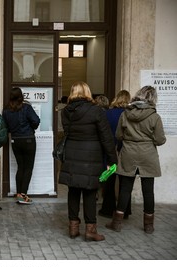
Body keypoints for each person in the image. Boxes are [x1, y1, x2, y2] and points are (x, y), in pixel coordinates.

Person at [59, 82, 117, 241]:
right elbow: (106, 137)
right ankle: (90, 230)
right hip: (91, 156)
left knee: (73, 191)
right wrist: (112, 159)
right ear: (87, 92)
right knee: (90, 192)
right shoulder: (96, 111)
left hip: (72, 154)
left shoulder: (65, 112)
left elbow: (68, 133)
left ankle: (73, 228)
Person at [106, 86, 166, 234]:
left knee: (125, 188)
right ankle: (148, 226)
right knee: (148, 190)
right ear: (153, 98)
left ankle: (117, 223)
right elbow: (160, 140)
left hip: (128, 153)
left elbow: (118, 135)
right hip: (148, 155)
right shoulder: (155, 117)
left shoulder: (126, 114)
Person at [2, 87, 40, 204]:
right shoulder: (26, 107)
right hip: (28, 140)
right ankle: (23, 195)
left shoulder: (6, 110)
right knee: (28, 168)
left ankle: (19, 194)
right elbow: (36, 120)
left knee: (20, 167)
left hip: (15, 141)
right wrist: (31, 128)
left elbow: (5, 127)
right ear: (21, 96)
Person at [98, 90, 132, 219]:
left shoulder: (108, 114)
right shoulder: (130, 114)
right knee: (125, 182)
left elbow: (103, 132)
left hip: (110, 151)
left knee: (109, 181)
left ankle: (107, 209)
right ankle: (125, 210)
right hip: (125, 151)